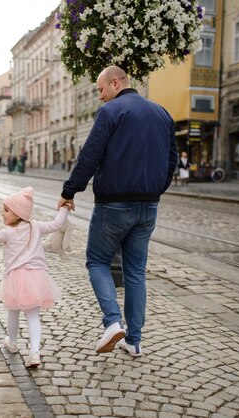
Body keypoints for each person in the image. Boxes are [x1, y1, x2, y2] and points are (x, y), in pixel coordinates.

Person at [58, 65, 177, 357]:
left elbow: (90, 154)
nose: (100, 96)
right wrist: (155, 190)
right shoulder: (162, 113)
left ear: (115, 83)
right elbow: (171, 158)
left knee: (96, 261)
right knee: (136, 271)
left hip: (114, 204)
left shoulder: (110, 113)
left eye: (100, 89)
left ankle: (112, 322)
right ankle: (134, 341)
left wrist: (69, 191)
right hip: (148, 205)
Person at [0, 187, 70, 368]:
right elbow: (56, 224)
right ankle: (34, 353)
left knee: (13, 311)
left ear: (18, 214)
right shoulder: (36, 226)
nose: (3, 214)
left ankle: (13, 342)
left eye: (6, 210)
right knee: (33, 317)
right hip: (37, 277)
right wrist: (65, 208)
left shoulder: (7, 232)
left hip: (16, 278)